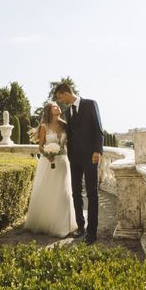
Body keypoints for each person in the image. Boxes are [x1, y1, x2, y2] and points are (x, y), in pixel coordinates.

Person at [55, 83, 103, 244]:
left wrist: (97, 151)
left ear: (66, 93)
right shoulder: (68, 113)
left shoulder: (90, 104)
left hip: (91, 157)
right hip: (74, 159)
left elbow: (98, 129)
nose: (60, 101)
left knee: (92, 193)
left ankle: (92, 232)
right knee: (76, 193)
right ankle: (81, 227)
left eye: (60, 97)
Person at [24, 102, 77, 237]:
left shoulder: (65, 125)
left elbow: (70, 143)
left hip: (63, 161)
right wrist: (48, 154)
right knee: (47, 189)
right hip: (47, 162)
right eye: (54, 106)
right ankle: (46, 222)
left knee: (63, 190)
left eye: (58, 106)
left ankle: (63, 223)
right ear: (49, 110)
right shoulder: (44, 126)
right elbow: (41, 146)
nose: (58, 107)